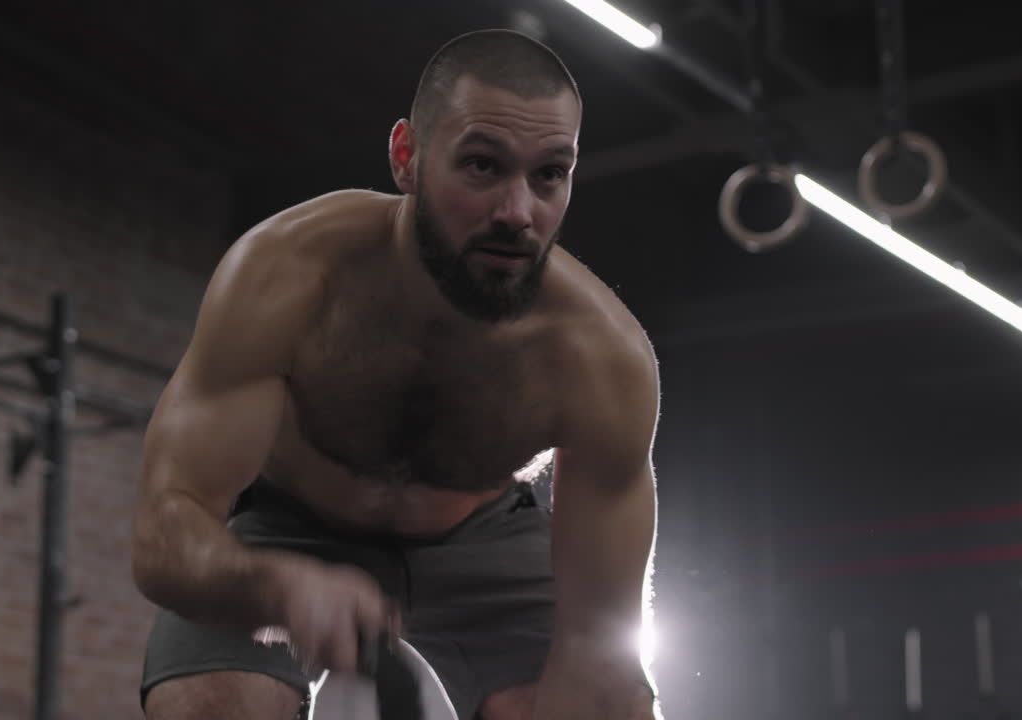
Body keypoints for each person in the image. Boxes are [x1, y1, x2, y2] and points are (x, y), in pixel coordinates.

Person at [131, 28, 661, 720]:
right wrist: (276, 587)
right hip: (296, 533)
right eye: (481, 166)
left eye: (549, 175)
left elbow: (597, 643)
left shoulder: (601, 358)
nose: (517, 212)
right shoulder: (287, 274)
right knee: (207, 707)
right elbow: (164, 534)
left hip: (490, 548)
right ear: (407, 157)